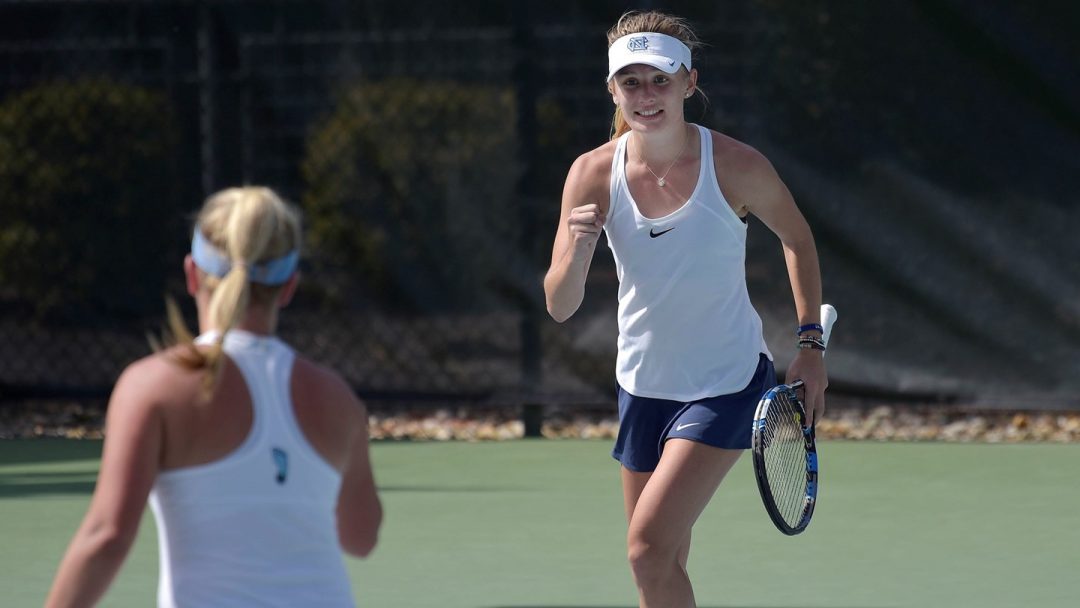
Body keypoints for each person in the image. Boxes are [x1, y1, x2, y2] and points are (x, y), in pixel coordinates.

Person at [544, 10, 828, 607]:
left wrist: (810, 346)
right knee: (663, 561)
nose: (646, 96)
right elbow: (560, 306)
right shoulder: (591, 174)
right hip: (642, 387)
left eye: (660, 80)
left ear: (689, 83)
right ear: (613, 91)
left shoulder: (737, 165)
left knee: (646, 550)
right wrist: (579, 247)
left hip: (725, 385)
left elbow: (797, 239)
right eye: (632, 82)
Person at [46, 187, 382, 607]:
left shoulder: (152, 386)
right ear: (289, 286)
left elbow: (107, 536)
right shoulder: (339, 399)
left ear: (191, 274)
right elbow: (361, 537)